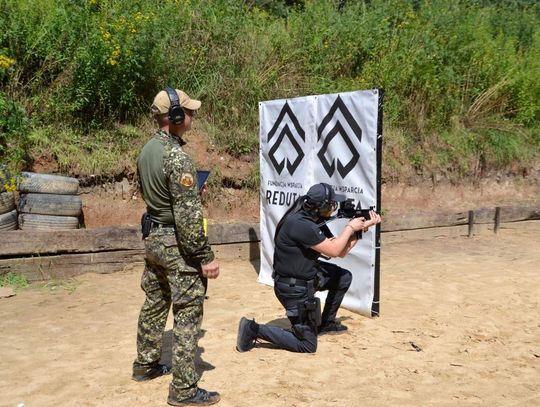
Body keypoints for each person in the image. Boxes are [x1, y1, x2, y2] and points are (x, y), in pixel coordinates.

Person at [132, 86, 221, 406]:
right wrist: (204, 256)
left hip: (153, 239)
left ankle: (145, 364)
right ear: (175, 116)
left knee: (155, 302)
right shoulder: (178, 157)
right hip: (175, 242)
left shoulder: (147, 150)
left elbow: (156, 196)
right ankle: (184, 390)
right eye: (188, 111)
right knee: (188, 311)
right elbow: (186, 216)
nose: (192, 115)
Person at [236, 182, 381, 353]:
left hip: (307, 278)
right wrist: (350, 227)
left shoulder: (310, 219)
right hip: (294, 289)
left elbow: (340, 251)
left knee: (343, 277)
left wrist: (360, 230)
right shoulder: (302, 224)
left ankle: (327, 323)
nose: (333, 209)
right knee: (307, 345)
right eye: (330, 205)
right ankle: (253, 329)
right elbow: (334, 251)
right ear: (320, 207)